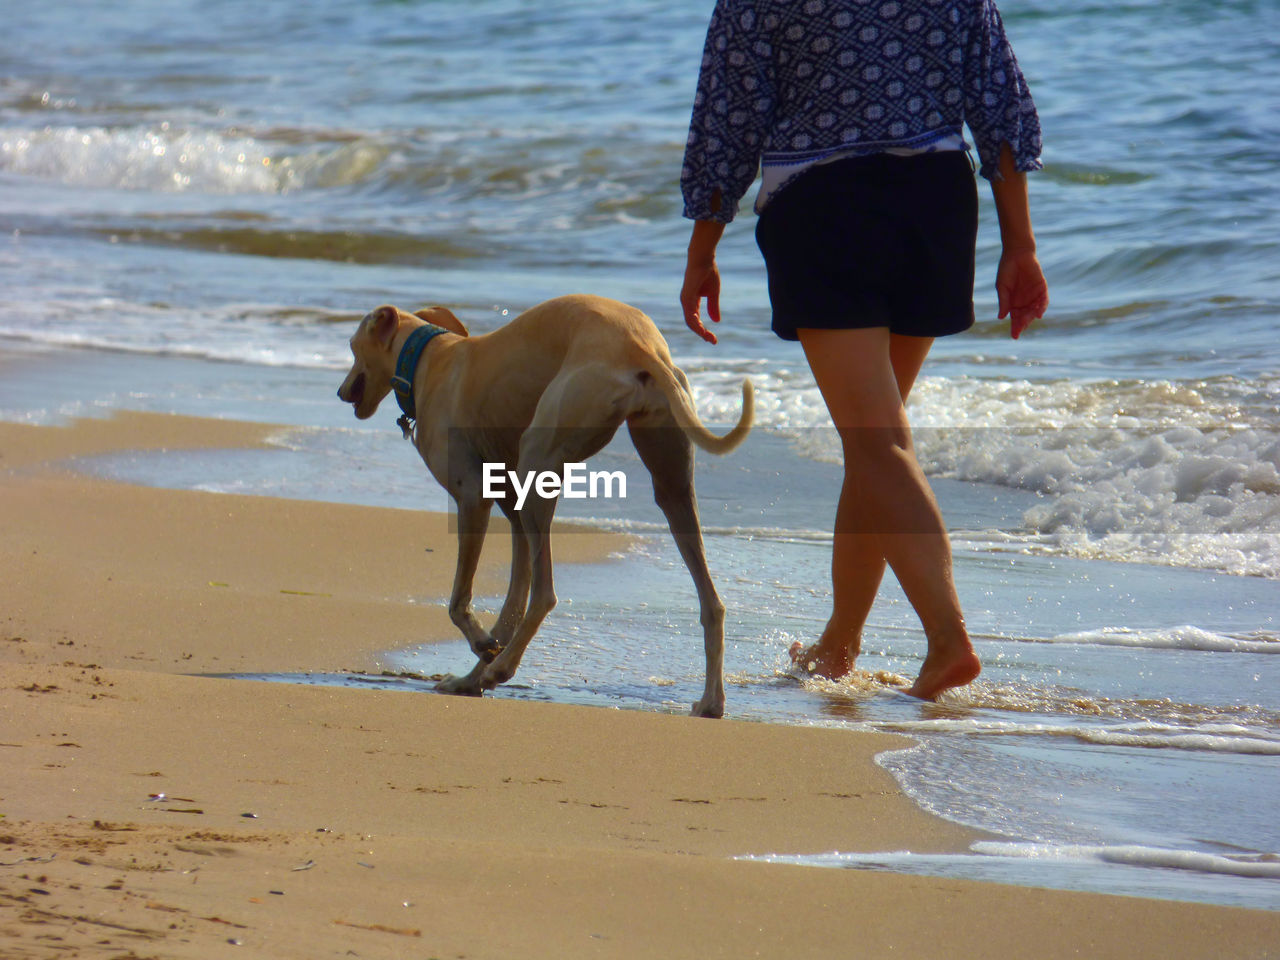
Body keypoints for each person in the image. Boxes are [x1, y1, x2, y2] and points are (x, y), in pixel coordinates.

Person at [678, 0, 1048, 700]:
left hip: (825, 206)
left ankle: (947, 641)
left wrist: (703, 247)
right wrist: (1020, 244)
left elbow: (728, 116)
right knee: (878, 439)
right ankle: (840, 644)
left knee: (876, 443)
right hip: (936, 204)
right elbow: (1001, 104)